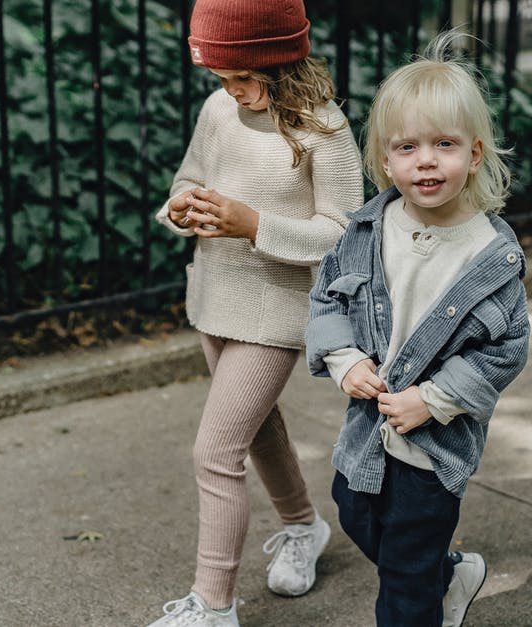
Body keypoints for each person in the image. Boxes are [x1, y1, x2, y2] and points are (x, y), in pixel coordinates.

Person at [147, 0, 363, 625]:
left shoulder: (324, 129)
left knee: (215, 452)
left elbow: (345, 231)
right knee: (260, 428)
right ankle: (303, 527)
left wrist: (253, 224)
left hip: (277, 309)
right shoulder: (219, 110)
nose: (233, 92)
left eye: (244, 79)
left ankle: (213, 606)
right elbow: (187, 179)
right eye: (223, 79)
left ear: (282, 63)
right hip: (215, 298)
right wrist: (182, 207)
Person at [306, 31, 529, 626]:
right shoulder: (365, 231)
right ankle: (447, 574)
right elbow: (327, 298)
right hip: (368, 430)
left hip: (434, 439)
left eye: (444, 144)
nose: (425, 160)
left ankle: (422, 592)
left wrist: (433, 399)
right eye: (407, 147)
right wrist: (344, 358)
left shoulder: (490, 254)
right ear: (385, 160)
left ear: (475, 154)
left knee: (404, 576)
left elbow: (507, 347)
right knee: (353, 510)